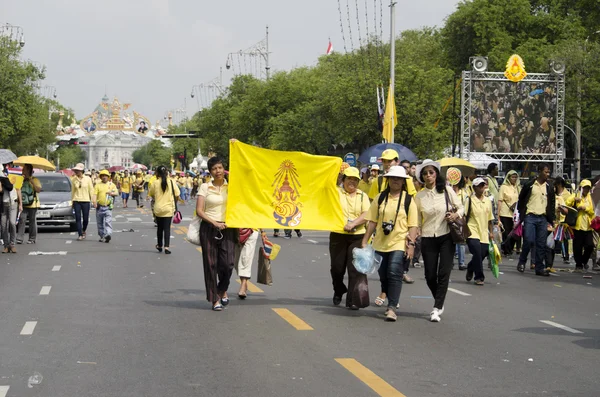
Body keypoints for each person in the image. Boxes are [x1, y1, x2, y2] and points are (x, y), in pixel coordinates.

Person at [362, 166, 418, 321]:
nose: (395, 180)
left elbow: (413, 225)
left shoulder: (408, 200)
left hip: (399, 242)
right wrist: (364, 241)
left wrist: (411, 245)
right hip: (380, 243)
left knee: (394, 272)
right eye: (392, 177)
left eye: (399, 178)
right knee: (384, 275)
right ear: (387, 179)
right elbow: (372, 221)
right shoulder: (380, 198)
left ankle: (392, 307)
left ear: (403, 181)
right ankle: (388, 294)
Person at [415, 159, 463, 322]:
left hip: (446, 235)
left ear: (436, 174)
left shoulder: (447, 190)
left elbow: (461, 207)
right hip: (428, 237)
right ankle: (439, 299)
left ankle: (436, 308)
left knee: (444, 272)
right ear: (421, 176)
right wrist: (412, 237)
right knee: (429, 275)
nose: (428, 176)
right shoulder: (419, 196)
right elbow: (417, 220)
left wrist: (455, 215)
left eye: (431, 172)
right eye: (425, 173)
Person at [196, 157, 236, 311]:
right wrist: (214, 223)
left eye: (220, 168)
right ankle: (214, 300)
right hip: (209, 229)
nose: (217, 171)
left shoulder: (231, 186)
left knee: (228, 264)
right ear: (210, 171)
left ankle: (221, 290)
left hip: (228, 228)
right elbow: (200, 211)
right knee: (211, 265)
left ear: (224, 169)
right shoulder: (205, 187)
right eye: (214, 169)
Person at [329, 167, 371, 310]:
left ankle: (352, 300)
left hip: (357, 236)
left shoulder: (362, 196)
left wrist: (353, 223)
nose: (352, 182)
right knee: (337, 268)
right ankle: (339, 289)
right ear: (343, 180)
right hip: (338, 234)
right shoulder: (336, 192)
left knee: (354, 269)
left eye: (355, 179)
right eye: (349, 179)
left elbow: (367, 213)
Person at [516, 163, 555, 276]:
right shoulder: (530, 185)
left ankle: (539, 267)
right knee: (528, 240)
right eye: (545, 172)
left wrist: (552, 219)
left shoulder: (549, 187)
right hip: (530, 216)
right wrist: (521, 212)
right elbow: (521, 198)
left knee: (541, 243)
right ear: (539, 171)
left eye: (549, 172)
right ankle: (522, 261)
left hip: (542, 218)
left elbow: (552, 203)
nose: (547, 174)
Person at [465, 178, 494, 285]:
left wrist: (491, 232)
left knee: (482, 253)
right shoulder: (469, 200)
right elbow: (464, 215)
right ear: (474, 188)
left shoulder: (487, 201)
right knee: (477, 251)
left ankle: (471, 267)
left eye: (483, 185)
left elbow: (490, 219)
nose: (482, 188)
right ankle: (479, 277)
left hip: (484, 231)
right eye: (479, 186)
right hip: (472, 230)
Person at [149, 166, 180, 254]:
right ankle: (166, 247)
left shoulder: (155, 183)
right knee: (167, 229)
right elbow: (177, 193)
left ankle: (159, 245)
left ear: (157, 173)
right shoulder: (171, 182)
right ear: (167, 173)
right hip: (168, 209)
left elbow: (151, 194)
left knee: (159, 228)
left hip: (158, 209)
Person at [566, 180, 595, 272]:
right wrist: (574, 199)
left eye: (588, 188)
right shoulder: (576, 195)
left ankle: (583, 261)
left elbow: (593, 210)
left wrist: (585, 208)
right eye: (584, 187)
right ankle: (578, 264)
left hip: (588, 226)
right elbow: (567, 203)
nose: (586, 189)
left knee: (590, 245)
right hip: (577, 226)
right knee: (577, 247)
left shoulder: (591, 198)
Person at [447, 167, 467, 270]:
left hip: (459, 220)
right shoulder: (447, 191)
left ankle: (462, 262)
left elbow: (464, 207)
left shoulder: (464, 193)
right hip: (449, 220)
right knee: (450, 242)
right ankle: (450, 262)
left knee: (461, 240)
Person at [16, 164, 42, 244]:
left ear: (29, 170)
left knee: (32, 221)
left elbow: (38, 190)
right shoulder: (21, 179)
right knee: (22, 220)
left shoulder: (35, 179)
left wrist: (32, 182)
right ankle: (19, 238)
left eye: (24, 169)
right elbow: (17, 189)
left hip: (33, 203)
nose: (22, 171)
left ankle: (32, 238)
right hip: (23, 203)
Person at [499, 170, 521, 255]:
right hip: (505, 212)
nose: (514, 179)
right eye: (512, 177)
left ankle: (510, 247)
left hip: (516, 213)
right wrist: (498, 215)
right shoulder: (503, 187)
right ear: (508, 177)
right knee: (506, 232)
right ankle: (507, 250)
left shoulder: (518, 187)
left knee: (515, 232)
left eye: (515, 177)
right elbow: (500, 200)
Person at [93, 170, 118, 243]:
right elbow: (94, 194)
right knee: (100, 223)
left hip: (108, 207)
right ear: (100, 177)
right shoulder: (98, 185)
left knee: (108, 222)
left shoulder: (111, 185)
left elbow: (116, 193)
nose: (104, 177)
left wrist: (111, 193)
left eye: (105, 176)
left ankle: (108, 234)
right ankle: (102, 235)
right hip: (99, 207)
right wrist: (94, 202)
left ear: (108, 177)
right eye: (102, 176)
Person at [71, 163, 94, 241]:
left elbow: (91, 190)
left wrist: (93, 200)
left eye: (78, 170)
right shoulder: (73, 179)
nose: (76, 172)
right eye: (75, 170)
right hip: (76, 200)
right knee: (77, 218)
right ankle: (80, 234)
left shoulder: (88, 179)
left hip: (86, 201)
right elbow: (73, 191)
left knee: (85, 219)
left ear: (82, 171)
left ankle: (84, 230)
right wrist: (72, 202)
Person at [235, 228, 259, 299]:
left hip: (252, 229)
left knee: (246, 258)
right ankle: (243, 281)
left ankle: (243, 284)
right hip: (234, 230)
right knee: (237, 260)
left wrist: (263, 231)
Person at [0, 163, 17, 253]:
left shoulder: (12, 175)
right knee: (3, 225)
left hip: (13, 203)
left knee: (12, 223)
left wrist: (21, 204)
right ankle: (6, 245)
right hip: (3, 204)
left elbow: (13, 188)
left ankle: (12, 244)